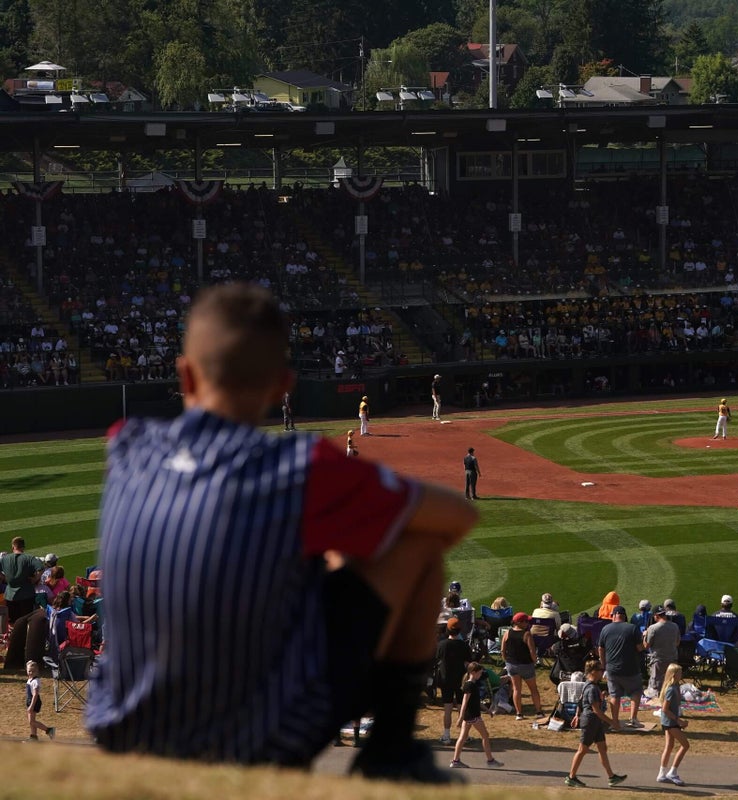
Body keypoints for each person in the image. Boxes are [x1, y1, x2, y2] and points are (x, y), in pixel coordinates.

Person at [85, 283, 479, 783]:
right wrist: (338, 551)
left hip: (121, 729)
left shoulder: (127, 445)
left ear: (185, 374)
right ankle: (391, 750)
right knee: (414, 545)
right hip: (255, 744)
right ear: (282, 386)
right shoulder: (297, 467)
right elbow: (457, 517)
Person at [565, 660, 626, 788]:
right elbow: (596, 710)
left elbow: (580, 702)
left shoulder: (588, 685)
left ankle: (611, 777)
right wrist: (612, 722)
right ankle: (571, 777)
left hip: (595, 722)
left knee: (602, 748)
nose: (602, 672)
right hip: (590, 721)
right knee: (582, 750)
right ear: (593, 672)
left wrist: (577, 715)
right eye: (600, 670)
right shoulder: (592, 688)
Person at [596, 605, 646, 728]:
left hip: (612, 669)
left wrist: (603, 665)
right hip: (631, 668)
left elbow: (600, 649)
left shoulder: (605, 629)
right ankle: (633, 719)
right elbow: (640, 648)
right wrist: (645, 638)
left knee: (614, 695)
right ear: (625, 616)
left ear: (613, 616)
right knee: (635, 692)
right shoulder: (632, 628)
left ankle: (615, 721)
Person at [449, 662, 501, 769]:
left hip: (470, 715)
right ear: (473, 672)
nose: (480, 675)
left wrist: (487, 710)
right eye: (479, 673)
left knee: (462, 737)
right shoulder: (469, 685)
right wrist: (460, 717)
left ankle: (455, 761)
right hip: (473, 716)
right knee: (485, 735)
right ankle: (490, 760)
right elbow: (464, 702)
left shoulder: (472, 684)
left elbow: (477, 701)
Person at [436, 617, 472, 744]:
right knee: (462, 707)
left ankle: (446, 735)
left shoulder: (442, 645)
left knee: (448, 707)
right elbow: (468, 663)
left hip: (445, 679)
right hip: (460, 679)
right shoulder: (464, 645)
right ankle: (464, 735)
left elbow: (436, 659)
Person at [500, 612, 542, 720]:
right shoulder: (526, 634)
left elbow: (502, 650)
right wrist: (534, 661)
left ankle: (519, 713)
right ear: (519, 622)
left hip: (511, 665)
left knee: (516, 689)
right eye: (526, 621)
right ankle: (538, 712)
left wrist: (506, 661)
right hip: (526, 665)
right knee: (533, 689)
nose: (527, 623)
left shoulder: (507, 633)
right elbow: (532, 651)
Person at [655, 663, 689, 786]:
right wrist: (678, 720)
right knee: (685, 745)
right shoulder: (671, 689)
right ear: (674, 675)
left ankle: (661, 774)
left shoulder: (675, 686)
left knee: (669, 746)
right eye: (679, 673)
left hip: (668, 721)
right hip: (670, 722)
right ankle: (672, 773)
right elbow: (665, 709)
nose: (681, 675)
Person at [1, 538, 43, 626]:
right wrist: (35, 579)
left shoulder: (4, 559)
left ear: (13, 547)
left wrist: (4, 577)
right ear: (23, 547)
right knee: (27, 621)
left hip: (10, 596)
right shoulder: (29, 558)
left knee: (13, 622)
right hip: (27, 594)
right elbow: (40, 568)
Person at [644, 605, 680, 695]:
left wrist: (645, 635)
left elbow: (646, 646)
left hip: (658, 661)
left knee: (655, 689)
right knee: (671, 684)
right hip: (672, 660)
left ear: (656, 615)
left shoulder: (653, 628)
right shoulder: (675, 626)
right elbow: (677, 643)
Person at [24, 660, 55, 742]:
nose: (31, 673)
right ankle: (33, 736)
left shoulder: (35, 681)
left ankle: (49, 730)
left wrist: (31, 706)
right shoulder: (30, 679)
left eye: (33, 671)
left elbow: (35, 695)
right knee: (31, 721)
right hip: (30, 700)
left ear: (37, 671)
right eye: (29, 671)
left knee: (32, 721)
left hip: (34, 701)